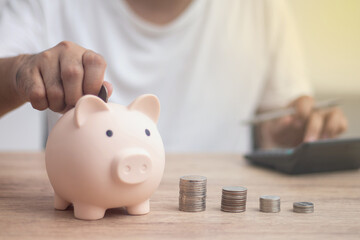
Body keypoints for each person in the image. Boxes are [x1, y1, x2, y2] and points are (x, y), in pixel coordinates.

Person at [0, 0, 347, 152]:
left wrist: (304, 130)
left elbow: (280, 124)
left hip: (214, 212)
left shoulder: (263, 6)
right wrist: (21, 72)